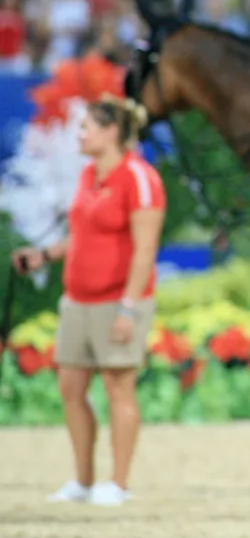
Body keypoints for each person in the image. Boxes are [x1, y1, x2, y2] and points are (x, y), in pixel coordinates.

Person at [11, 96, 163, 507]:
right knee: (71, 387)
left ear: (112, 131)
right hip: (77, 298)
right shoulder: (89, 177)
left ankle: (118, 482)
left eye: (86, 128)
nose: (79, 135)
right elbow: (82, 234)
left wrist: (129, 307)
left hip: (117, 299)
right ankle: (82, 479)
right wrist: (44, 255)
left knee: (118, 386)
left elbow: (145, 248)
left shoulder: (140, 178)